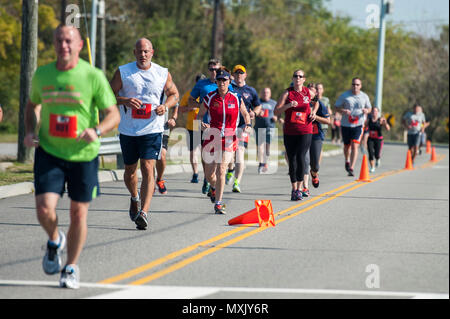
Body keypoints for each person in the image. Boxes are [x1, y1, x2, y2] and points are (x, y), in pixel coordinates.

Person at [23, 24, 120, 289]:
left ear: (79, 45)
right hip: (50, 152)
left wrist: (97, 130)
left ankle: (71, 267)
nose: (63, 45)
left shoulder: (93, 76)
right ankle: (55, 239)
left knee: (78, 214)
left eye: (68, 41)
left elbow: (114, 114)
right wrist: (30, 131)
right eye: (59, 40)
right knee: (44, 209)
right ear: (53, 44)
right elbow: (32, 104)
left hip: (83, 154)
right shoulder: (42, 74)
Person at [110, 38, 179, 230]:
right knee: (130, 171)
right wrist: (124, 100)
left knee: (148, 168)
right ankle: (134, 198)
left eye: (146, 51)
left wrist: (165, 106)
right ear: (134, 53)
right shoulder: (124, 72)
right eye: (139, 51)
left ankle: (144, 212)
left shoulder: (162, 73)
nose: (143, 55)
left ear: (152, 52)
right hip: (128, 129)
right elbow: (107, 96)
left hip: (153, 128)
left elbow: (175, 94)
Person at [198, 69, 251, 214]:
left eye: (224, 80)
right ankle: (213, 188)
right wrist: (202, 124)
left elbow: (246, 113)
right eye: (219, 80)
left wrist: (248, 124)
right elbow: (200, 115)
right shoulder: (209, 97)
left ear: (229, 82)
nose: (222, 83)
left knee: (221, 169)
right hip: (212, 135)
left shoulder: (236, 97)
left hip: (229, 136)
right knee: (210, 175)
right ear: (216, 82)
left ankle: (219, 203)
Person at [188, 59, 230, 196]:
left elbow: (235, 100)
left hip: (223, 129)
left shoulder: (226, 83)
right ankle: (208, 179)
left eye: (216, 70)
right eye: (211, 69)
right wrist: (201, 106)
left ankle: (214, 184)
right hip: (204, 125)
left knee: (220, 163)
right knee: (206, 156)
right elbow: (190, 100)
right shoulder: (201, 84)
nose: (213, 72)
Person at [274, 69, 314, 201]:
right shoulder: (287, 93)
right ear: (292, 78)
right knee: (292, 159)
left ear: (304, 79)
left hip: (305, 129)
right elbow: (276, 111)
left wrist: (314, 112)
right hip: (290, 131)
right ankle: (294, 189)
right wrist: (289, 105)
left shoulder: (308, 92)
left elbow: (317, 101)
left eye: (300, 76)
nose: (297, 78)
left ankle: (301, 187)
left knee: (301, 156)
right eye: (295, 76)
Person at [226, 64, 261, 193]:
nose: (239, 75)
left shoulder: (251, 90)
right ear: (233, 75)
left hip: (243, 125)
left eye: (241, 73)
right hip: (229, 124)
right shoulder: (228, 87)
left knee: (240, 152)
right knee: (230, 155)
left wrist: (254, 113)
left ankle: (237, 182)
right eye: (237, 73)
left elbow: (258, 106)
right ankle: (230, 169)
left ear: (245, 75)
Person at [335, 77, 372, 176]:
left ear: (361, 86)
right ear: (351, 85)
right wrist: (343, 111)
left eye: (357, 85)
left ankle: (351, 168)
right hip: (346, 124)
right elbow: (336, 107)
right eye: (353, 84)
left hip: (359, 124)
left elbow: (369, 108)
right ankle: (347, 160)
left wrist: (366, 111)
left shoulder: (364, 96)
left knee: (355, 146)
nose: (355, 86)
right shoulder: (344, 95)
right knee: (347, 146)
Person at [301, 83, 331, 197]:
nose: (310, 93)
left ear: (315, 94)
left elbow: (328, 121)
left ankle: (314, 174)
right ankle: (305, 187)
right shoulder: (302, 102)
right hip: (303, 134)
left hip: (316, 135)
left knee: (315, 165)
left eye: (312, 91)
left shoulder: (320, 105)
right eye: (308, 91)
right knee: (305, 161)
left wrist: (316, 117)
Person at [179, 74, 206, 184]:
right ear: (196, 83)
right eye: (198, 82)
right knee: (193, 152)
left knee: (206, 153)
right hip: (192, 126)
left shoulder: (209, 93)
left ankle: (206, 175)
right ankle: (195, 173)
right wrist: (190, 108)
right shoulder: (189, 94)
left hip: (205, 125)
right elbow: (180, 109)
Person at [155, 95, 179, 194]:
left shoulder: (167, 88)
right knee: (149, 159)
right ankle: (149, 182)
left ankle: (159, 179)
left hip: (163, 129)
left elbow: (176, 104)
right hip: (147, 129)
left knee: (162, 155)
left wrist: (173, 118)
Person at [254, 87, 277, 174]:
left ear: (270, 94)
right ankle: (261, 164)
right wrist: (257, 113)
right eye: (264, 92)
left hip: (270, 127)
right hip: (259, 127)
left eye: (267, 92)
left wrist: (276, 117)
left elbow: (278, 113)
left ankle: (265, 162)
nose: (265, 94)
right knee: (260, 146)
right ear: (261, 93)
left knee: (267, 147)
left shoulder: (274, 103)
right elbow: (252, 112)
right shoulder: (257, 102)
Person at [365, 107, 390, 172]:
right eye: (373, 111)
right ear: (371, 112)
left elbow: (388, 129)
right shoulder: (369, 119)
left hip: (378, 139)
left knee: (377, 154)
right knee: (370, 153)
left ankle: (378, 159)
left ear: (378, 112)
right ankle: (372, 167)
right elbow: (364, 127)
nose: (374, 113)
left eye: (376, 111)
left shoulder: (380, 120)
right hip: (370, 138)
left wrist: (385, 123)